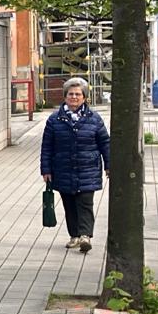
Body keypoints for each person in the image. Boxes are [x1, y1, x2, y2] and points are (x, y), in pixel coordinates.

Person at [40, 77, 110, 253]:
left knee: (85, 203)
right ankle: (74, 236)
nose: (74, 97)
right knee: (69, 204)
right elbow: (47, 146)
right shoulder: (54, 120)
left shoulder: (94, 119)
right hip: (63, 169)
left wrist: (109, 165)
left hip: (88, 168)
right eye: (70, 94)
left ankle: (85, 235)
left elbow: (105, 143)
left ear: (84, 97)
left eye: (78, 94)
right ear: (65, 96)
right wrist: (46, 169)